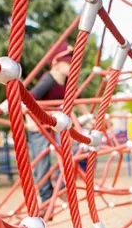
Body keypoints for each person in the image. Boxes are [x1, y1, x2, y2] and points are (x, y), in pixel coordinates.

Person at [26, 42, 87, 205]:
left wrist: (88, 115)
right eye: (67, 62)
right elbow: (28, 100)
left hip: (55, 125)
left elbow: (77, 98)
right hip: (40, 126)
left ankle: (63, 188)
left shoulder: (67, 82)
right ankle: (46, 198)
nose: (70, 65)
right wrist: (30, 120)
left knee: (67, 153)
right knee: (42, 161)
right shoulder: (48, 79)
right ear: (56, 63)